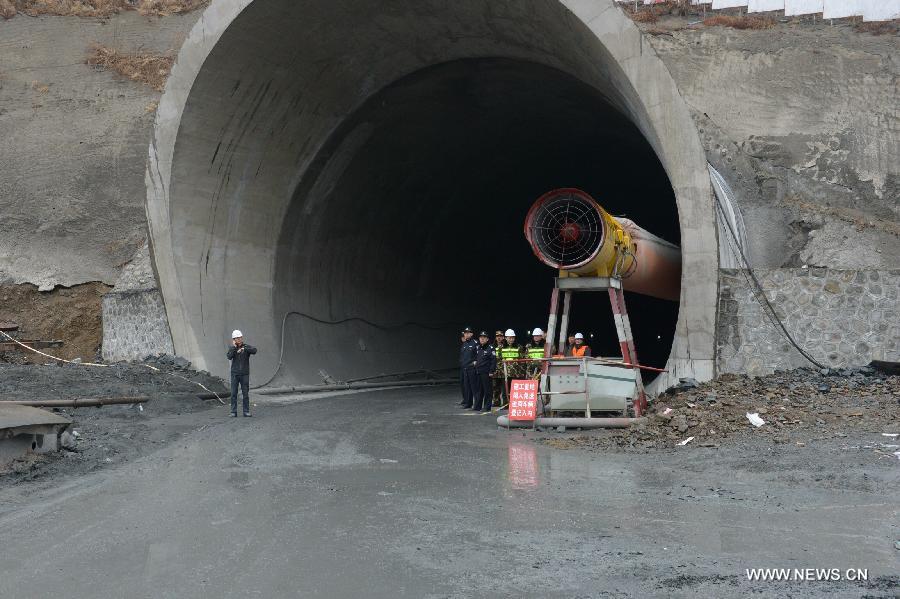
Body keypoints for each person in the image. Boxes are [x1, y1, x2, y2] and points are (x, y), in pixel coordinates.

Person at [227, 329, 257, 417]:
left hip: (244, 374)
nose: (239, 339)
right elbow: (229, 356)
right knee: (233, 393)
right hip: (235, 374)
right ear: (234, 339)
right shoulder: (232, 348)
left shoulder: (246, 347)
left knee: (245, 394)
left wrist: (243, 348)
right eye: (237, 338)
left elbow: (254, 350)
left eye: (240, 337)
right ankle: (233, 412)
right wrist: (235, 348)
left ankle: (246, 411)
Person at [472, 331, 496, 412]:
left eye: (484, 337)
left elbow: (493, 360)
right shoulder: (478, 347)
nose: (482, 339)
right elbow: (475, 356)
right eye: (481, 337)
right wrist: (475, 360)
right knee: (478, 390)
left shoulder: (491, 348)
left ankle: (487, 407)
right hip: (478, 372)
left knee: (487, 390)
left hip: (486, 372)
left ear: (487, 339)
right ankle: (477, 406)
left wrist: (492, 371)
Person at [498, 329, 524, 402]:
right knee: (505, 389)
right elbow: (499, 359)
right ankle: (505, 403)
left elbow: (522, 360)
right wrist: (501, 371)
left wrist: (520, 373)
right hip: (505, 372)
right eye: (509, 338)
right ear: (505, 338)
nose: (511, 339)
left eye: (512, 337)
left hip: (516, 373)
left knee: (515, 389)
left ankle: (515, 403)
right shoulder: (501, 347)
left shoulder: (519, 347)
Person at [458, 327, 479, 409]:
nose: (466, 334)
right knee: (467, 387)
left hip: (472, 369)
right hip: (464, 368)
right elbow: (463, 356)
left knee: (474, 387)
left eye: (468, 333)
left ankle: (477, 404)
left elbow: (478, 354)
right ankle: (468, 403)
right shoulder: (464, 343)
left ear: (471, 334)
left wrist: (476, 362)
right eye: (465, 333)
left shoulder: (475, 343)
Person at [491, 330, 507, 407]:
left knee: (505, 388)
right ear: (496, 337)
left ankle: (505, 403)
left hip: (504, 371)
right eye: (497, 336)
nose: (499, 338)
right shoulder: (492, 346)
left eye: (500, 336)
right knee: (495, 388)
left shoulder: (506, 346)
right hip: (495, 371)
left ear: (503, 337)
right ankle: (496, 402)